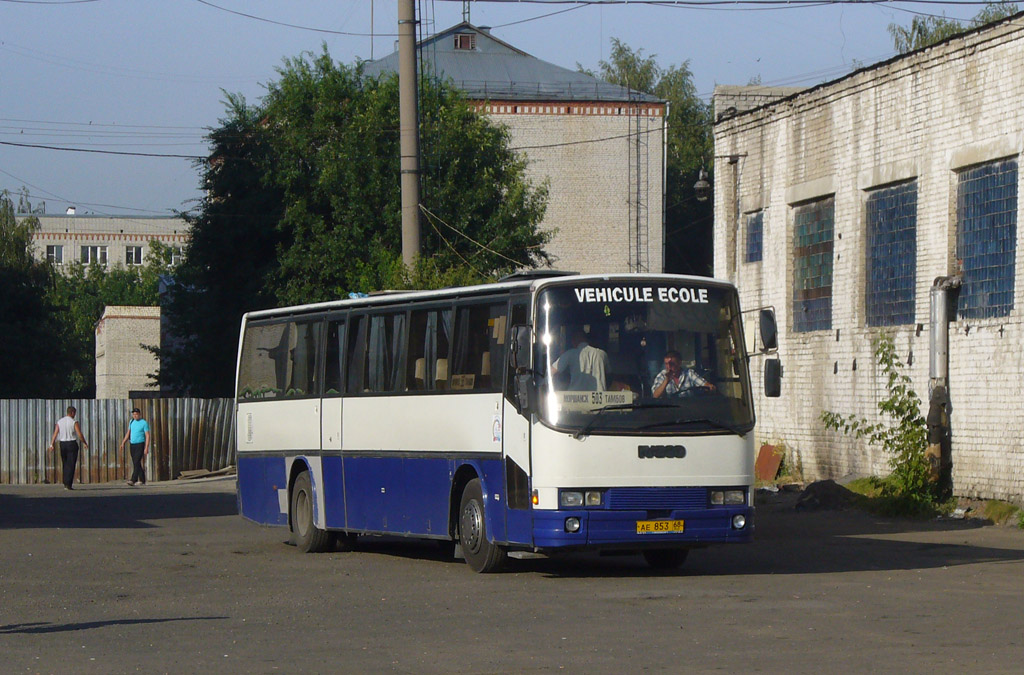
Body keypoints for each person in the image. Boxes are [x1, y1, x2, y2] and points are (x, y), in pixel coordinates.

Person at [48, 406, 89, 490]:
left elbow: (55, 433)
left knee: (65, 463)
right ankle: (68, 484)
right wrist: (84, 442)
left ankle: (65, 482)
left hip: (62, 444)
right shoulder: (74, 422)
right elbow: (79, 434)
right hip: (71, 443)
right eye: (75, 413)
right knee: (71, 464)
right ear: (72, 413)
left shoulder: (60, 421)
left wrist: (51, 444)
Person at [119, 408, 151, 486]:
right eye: (133, 414)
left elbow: (147, 435)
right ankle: (142, 479)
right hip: (132, 444)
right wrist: (123, 442)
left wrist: (146, 447)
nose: (135, 416)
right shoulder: (131, 422)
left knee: (136, 461)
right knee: (136, 462)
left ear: (139, 414)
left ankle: (133, 479)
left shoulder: (144, 423)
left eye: (136, 414)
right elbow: (128, 433)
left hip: (140, 444)